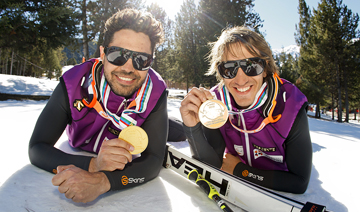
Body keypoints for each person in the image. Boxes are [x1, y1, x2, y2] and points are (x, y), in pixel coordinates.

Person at [28, 8, 184, 203]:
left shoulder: (156, 91)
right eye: (117, 54)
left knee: (180, 132)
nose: (128, 68)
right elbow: (37, 148)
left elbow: (153, 161)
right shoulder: (73, 82)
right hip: (89, 139)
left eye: (141, 60)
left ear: (150, 62)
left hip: (141, 125)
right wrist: (93, 165)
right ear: (103, 53)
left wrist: (103, 182)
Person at [180, 26, 312, 194]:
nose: (240, 80)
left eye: (252, 66)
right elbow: (211, 165)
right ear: (220, 73)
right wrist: (192, 128)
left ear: (265, 69)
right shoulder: (214, 104)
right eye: (229, 68)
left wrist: (241, 171)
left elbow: (299, 182)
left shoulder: (290, 105)